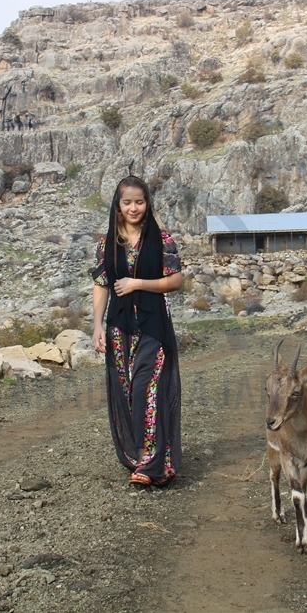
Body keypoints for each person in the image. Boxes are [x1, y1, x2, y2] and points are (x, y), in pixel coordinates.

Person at [91, 176, 182, 486]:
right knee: (126, 390)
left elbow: (175, 281)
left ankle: (153, 461)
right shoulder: (107, 243)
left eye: (139, 202)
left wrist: (137, 284)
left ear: (148, 204)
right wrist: (96, 327)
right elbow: (101, 285)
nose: (134, 208)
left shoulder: (162, 239)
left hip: (153, 323)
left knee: (147, 385)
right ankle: (139, 454)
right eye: (127, 202)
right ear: (118, 204)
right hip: (119, 326)